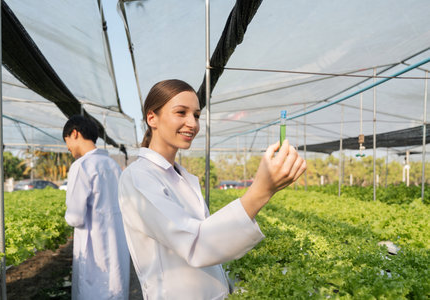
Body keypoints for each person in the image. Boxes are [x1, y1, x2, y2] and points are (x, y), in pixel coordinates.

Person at [118, 79, 307, 300]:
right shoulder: (139, 177)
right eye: (181, 112)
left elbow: (205, 235)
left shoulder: (180, 176)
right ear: (152, 118)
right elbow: (195, 244)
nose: (193, 123)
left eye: (196, 115)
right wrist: (261, 191)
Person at [63, 115, 130, 300]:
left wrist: (66, 215)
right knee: (115, 287)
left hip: (93, 247)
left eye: (66, 141)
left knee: (93, 290)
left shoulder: (82, 166)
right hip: (116, 243)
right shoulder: (113, 165)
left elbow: (75, 217)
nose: (67, 147)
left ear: (74, 134)